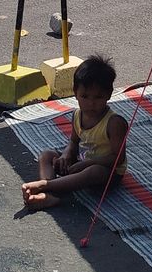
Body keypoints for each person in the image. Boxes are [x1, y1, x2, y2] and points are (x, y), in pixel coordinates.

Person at [22, 55, 128, 210]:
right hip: (81, 162)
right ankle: (50, 194)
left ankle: (46, 185)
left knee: (94, 171)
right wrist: (66, 155)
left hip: (105, 171)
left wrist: (87, 163)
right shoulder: (77, 115)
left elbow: (118, 159)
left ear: (109, 94)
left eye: (98, 97)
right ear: (75, 93)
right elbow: (73, 142)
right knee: (47, 155)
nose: (91, 103)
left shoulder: (114, 123)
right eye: (85, 96)